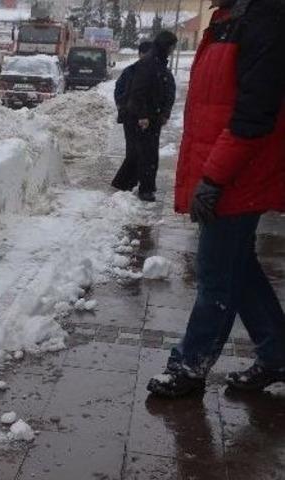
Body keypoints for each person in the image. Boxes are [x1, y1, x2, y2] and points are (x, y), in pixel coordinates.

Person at [147, 0, 285, 398]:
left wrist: (213, 177)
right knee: (238, 268)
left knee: (216, 275)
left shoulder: (265, 22)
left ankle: (190, 366)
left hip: (241, 171)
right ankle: (276, 353)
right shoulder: (229, 20)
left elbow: (253, 114)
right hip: (227, 166)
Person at [121, 31, 177, 202]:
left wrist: (165, 112)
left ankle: (132, 184)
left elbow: (168, 90)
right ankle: (145, 189)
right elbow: (139, 92)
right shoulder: (148, 64)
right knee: (146, 154)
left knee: (147, 153)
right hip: (144, 117)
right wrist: (143, 115)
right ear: (165, 45)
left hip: (155, 116)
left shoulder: (159, 63)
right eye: (172, 46)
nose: (173, 50)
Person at [111, 40, 152, 192]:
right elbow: (119, 90)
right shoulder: (130, 71)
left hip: (147, 118)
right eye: (146, 54)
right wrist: (123, 106)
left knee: (141, 151)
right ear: (140, 54)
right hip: (131, 117)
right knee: (134, 151)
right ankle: (123, 182)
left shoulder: (155, 71)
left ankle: (130, 181)